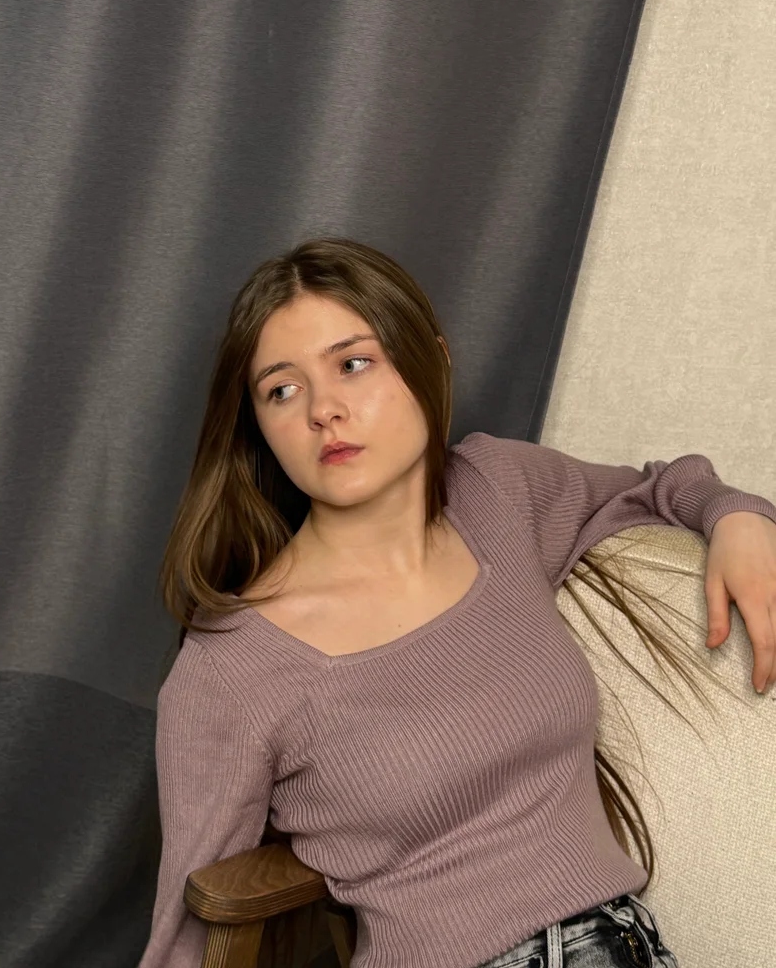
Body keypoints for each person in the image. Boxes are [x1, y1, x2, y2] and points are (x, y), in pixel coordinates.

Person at [138, 237, 776, 968]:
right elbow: (187, 937)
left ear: (431, 360)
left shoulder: (496, 492)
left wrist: (737, 516)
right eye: (282, 390)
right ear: (260, 427)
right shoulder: (231, 665)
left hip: (625, 944)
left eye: (353, 364)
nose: (325, 410)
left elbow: (658, 486)